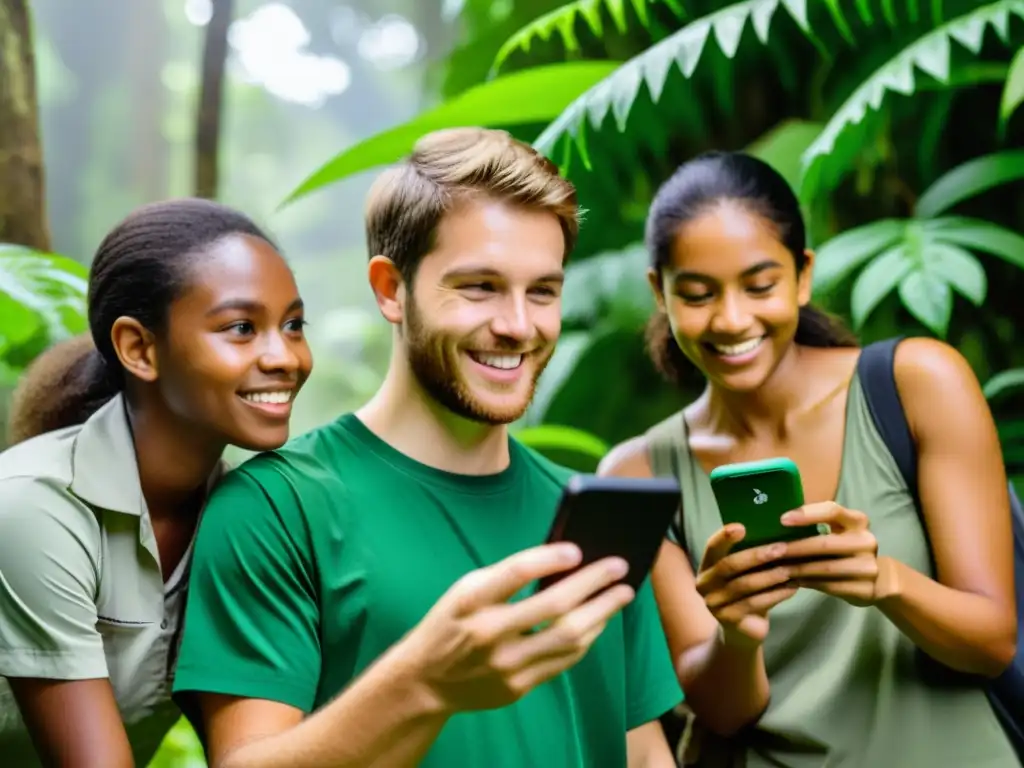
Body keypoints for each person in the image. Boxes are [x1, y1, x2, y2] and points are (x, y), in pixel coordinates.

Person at [170, 127, 683, 768]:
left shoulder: (591, 518)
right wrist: (425, 681)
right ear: (391, 289)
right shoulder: (277, 508)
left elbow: (644, 755)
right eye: (479, 287)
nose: (519, 326)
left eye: (543, 291)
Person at [600, 151, 1019, 766]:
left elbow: (993, 641)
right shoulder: (637, 474)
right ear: (658, 293)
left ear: (802, 276)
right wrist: (738, 633)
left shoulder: (916, 385)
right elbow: (722, 712)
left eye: (760, 285)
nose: (732, 318)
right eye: (696, 294)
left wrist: (888, 582)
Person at [0, 198, 313, 767]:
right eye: (242, 328)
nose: (285, 356)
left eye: (293, 325)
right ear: (139, 348)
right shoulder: (34, 506)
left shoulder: (245, 516)